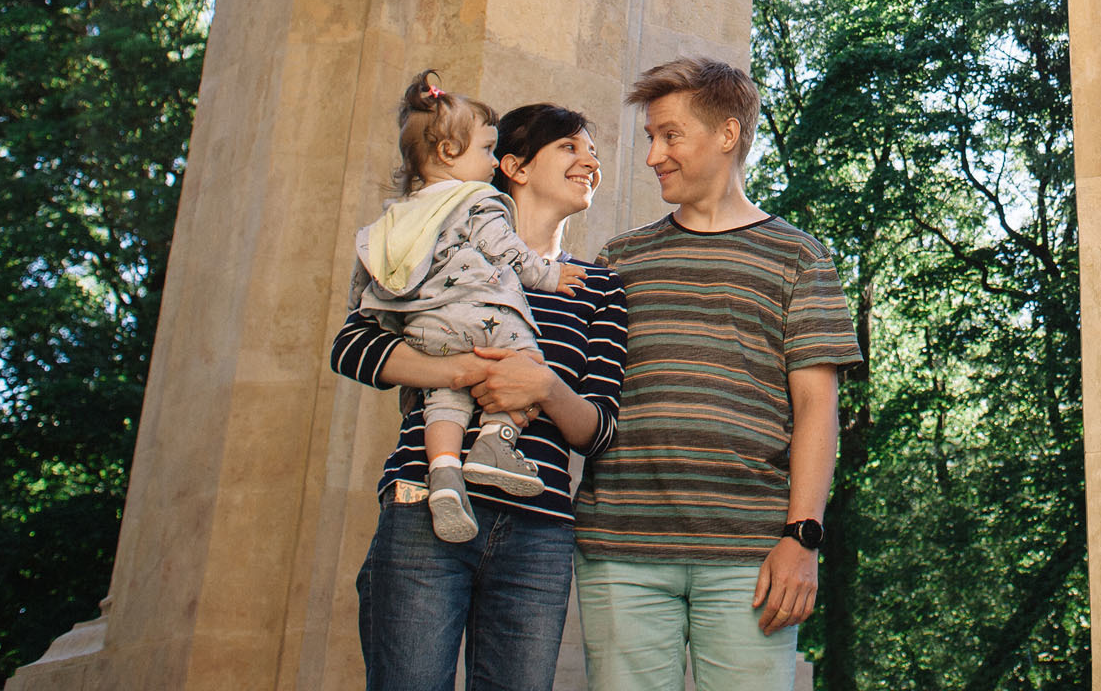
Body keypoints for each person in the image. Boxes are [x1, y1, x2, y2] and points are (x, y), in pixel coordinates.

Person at [574, 56, 863, 691]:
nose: (653, 156)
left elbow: (819, 411)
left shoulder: (799, 257)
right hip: (621, 551)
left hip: (752, 558)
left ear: (727, 135)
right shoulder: (618, 260)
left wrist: (803, 539)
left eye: (669, 135)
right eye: (652, 137)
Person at [333, 98, 629, 691]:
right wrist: (459, 371)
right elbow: (352, 347)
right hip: (424, 506)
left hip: (538, 532)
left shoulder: (599, 287)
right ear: (514, 166)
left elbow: (599, 429)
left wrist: (542, 385)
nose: (589, 162)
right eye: (570, 147)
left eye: (593, 152)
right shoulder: (441, 249)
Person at [352, 71, 586, 540]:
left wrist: (441, 364)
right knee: (523, 350)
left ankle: (444, 473)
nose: (493, 161)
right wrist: (546, 277)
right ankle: (494, 444)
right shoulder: (481, 202)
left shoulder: (402, 214)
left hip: (428, 328)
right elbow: (349, 346)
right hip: (482, 325)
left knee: (445, 401)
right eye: (569, 147)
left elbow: (370, 283)